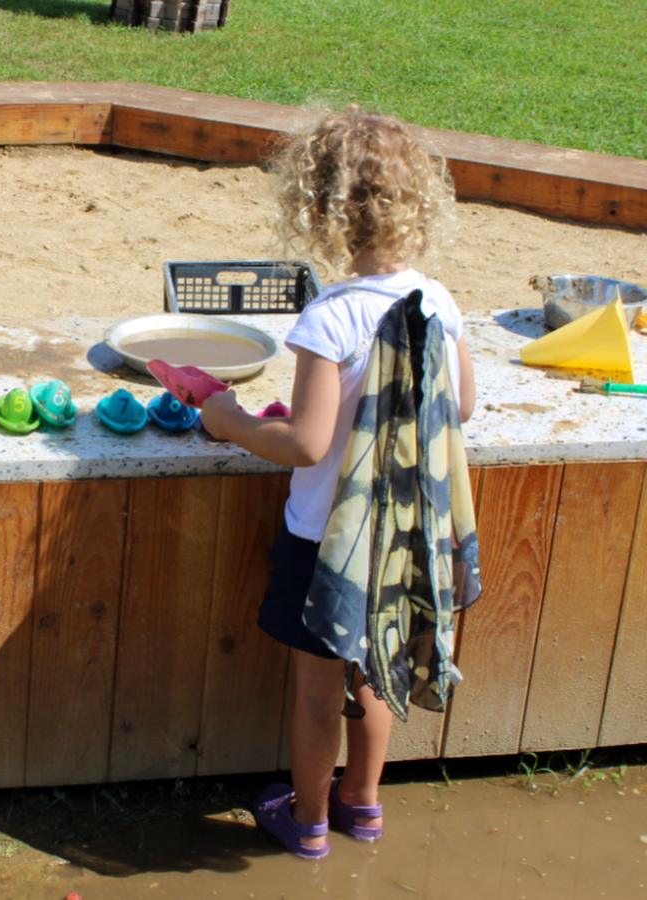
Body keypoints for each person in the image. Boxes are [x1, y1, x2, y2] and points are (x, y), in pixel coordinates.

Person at [201, 106, 479, 860]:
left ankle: (309, 819)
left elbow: (305, 442)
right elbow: (461, 406)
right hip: (404, 538)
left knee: (320, 689)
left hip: (329, 541)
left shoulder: (332, 317)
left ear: (318, 210)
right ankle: (364, 803)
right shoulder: (438, 302)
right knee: (376, 675)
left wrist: (230, 420)